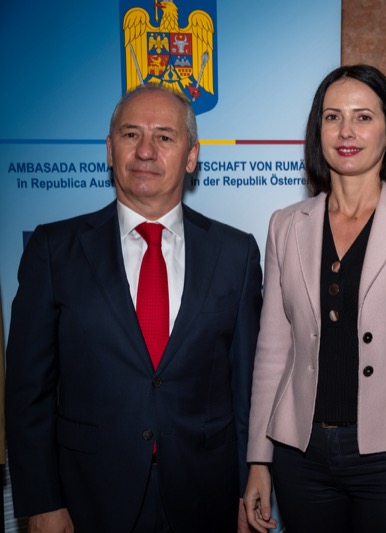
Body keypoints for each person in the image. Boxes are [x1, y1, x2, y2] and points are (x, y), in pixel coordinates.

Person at [5, 84, 263, 533]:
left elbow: (247, 391)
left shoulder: (236, 253)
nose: (146, 151)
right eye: (131, 135)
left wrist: (248, 487)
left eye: (164, 136)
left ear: (191, 156)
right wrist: (42, 501)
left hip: (207, 496)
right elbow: (29, 391)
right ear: (110, 150)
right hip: (88, 499)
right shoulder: (53, 250)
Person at [243, 64, 386, 533]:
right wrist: (259, 460)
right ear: (318, 130)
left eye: (363, 117)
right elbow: (272, 354)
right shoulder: (286, 224)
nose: (346, 131)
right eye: (332, 117)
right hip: (299, 457)